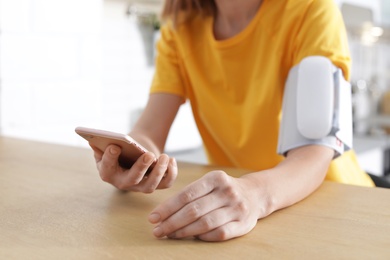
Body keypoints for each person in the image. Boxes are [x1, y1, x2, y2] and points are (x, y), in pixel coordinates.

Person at [90, 0, 377, 242]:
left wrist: (254, 194)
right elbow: (150, 131)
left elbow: (315, 151)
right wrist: (132, 159)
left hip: (337, 209)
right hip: (245, 214)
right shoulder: (181, 28)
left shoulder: (310, 9)